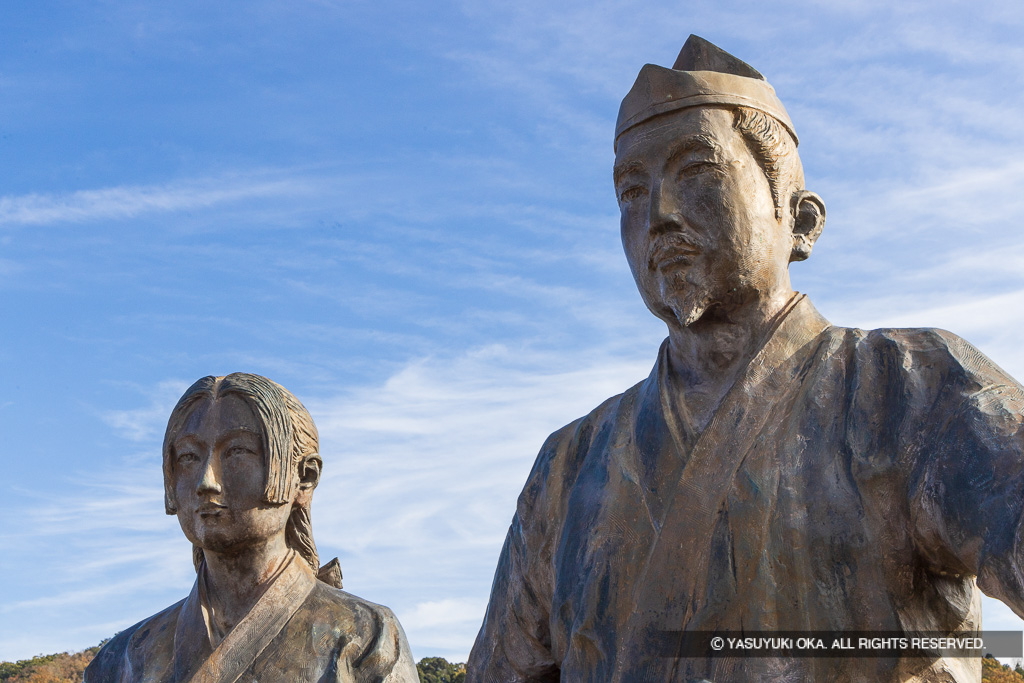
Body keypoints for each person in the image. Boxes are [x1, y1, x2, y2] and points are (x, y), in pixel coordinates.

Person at [467, 36, 1024, 682]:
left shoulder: (911, 390)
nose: (659, 216)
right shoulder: (567, 466)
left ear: (801, 220)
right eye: (631, 191)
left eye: (697, 172)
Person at [85, 373, 418, 683]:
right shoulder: (121, 660)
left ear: (304, 478)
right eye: (188, 457)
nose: (206, 481)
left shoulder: (367, 636)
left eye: (237, 452)